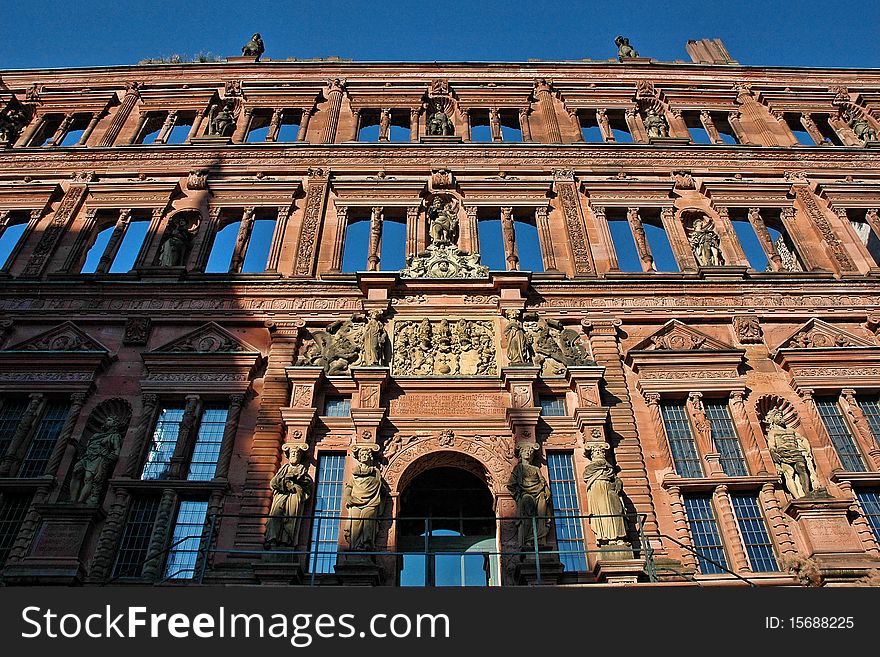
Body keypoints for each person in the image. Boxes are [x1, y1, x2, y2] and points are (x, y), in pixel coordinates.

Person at [265, 444, 313, 549]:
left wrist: (297, 482)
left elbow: (307, 484)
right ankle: (272, 540)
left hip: (294, 497)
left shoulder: (302, 470)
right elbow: (274, 482)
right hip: (281, 495)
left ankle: (285, 542)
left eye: (296, 453)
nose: (294, 455)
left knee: (291, 519)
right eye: (292, 453)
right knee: (275, 517)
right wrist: (286, 483)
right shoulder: (284, 468)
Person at [506, 443, 552, 548]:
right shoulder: (518, 468)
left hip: (539, 492)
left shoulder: (536, 468)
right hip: (525, 493)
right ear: (521, 454)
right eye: (525, 451)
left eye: (529, 451)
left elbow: (542, 481)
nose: (528, 453)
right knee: (527, 511)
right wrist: (518, 493)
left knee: (541, 515)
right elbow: (511, 484)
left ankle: (540, 540)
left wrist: (546, 490)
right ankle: (528, 539)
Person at [69, 416, 124, 505]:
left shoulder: (114, 436)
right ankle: (72, 499)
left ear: (114, 424)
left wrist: (107, 459)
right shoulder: (96, 435)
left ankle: (80, 501)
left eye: (109, 420)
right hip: (87, 457)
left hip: (99, 458)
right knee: (76, 472)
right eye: (106, 419)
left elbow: (116, 451)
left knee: (88, 477)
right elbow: (87, 447)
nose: (106, 421)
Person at [765, 409, 818, 498]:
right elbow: (772, 446)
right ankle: (797, 497)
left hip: (796, 453)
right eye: (778, 415)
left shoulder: (791, 430)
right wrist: (775, 457)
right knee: (789, 473)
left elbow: (802, 439)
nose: (780, 417)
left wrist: (808, 450)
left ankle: (807, 492)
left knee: (802, 469)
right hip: (783, 454)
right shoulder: (773, 432)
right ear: (773, 419)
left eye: (781, 415)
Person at [582, 443, 628, 545]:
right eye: (596, 451)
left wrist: (618, 482)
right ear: (592, 455)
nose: (598, 453)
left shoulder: (609, 467)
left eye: (600, 451)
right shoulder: (590, 467)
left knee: (616, 510)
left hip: (609, 490)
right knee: (602, 513)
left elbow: (614, 478)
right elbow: (586, 475)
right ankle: (606, 538)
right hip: (598, 490)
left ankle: (618, 537)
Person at [343, 446, 385, 551]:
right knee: (356, 524)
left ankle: (367, 544)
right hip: (355, 501)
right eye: (362, 455)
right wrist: (348, 496)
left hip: (371, 501)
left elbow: (380, 485)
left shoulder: (375, 472)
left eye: (366, 454)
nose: (364, 456)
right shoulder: (354, 473)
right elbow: (349, 487)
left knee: (368, 522)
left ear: (370, 457)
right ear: (359, 457)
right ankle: (355, 547)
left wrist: (381, 489)